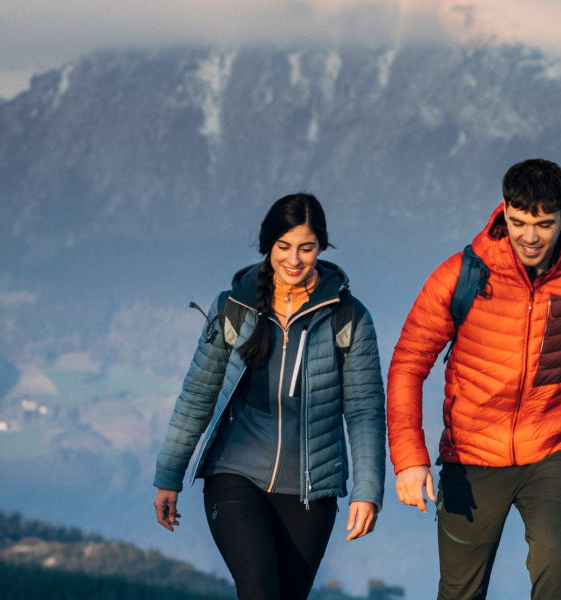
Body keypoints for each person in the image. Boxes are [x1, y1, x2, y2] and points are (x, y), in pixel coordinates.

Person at [387, 159, 561, 600]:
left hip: (551, 452)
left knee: (555, 569)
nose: (530, 237)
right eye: (519, 222)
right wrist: (409, 458)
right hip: (470, 457)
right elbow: (408, 364)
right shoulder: (460, 276)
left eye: (544, 224)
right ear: (503, 209)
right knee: (460, 592)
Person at [153, 193, 386, 600]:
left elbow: (365, 409)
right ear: (268, 246)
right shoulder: (233, 309)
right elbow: (197, 396)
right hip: (234, 473)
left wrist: (367, 490)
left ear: (321, 248)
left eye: (306, 248)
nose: (294, 259)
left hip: (312, 487)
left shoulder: (347, 316)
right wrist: (169, 476)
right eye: (284, 247)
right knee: (259, 587)